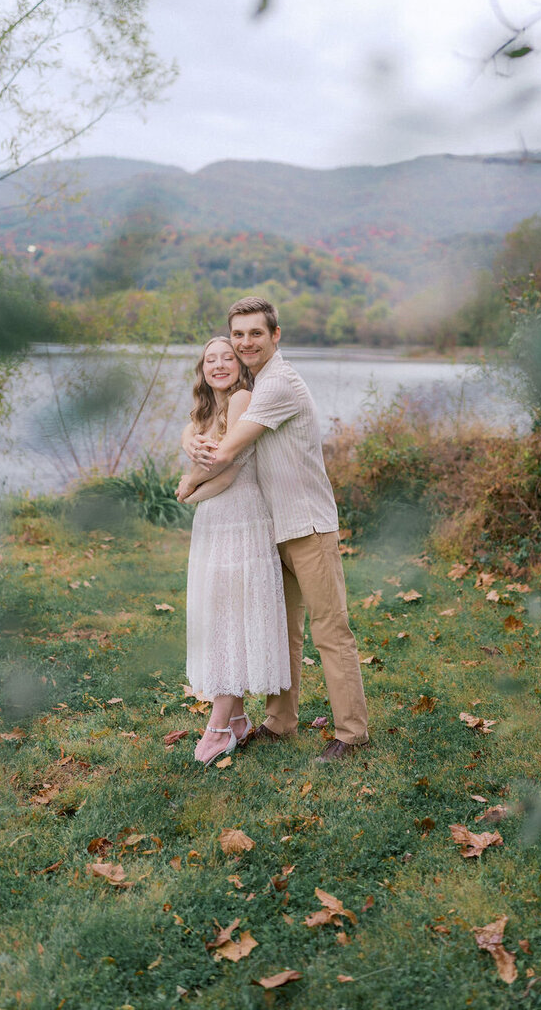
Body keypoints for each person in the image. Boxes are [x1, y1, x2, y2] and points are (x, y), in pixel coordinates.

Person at [181, 296, 369, 763]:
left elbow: (225, 452)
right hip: (269, 527)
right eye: (238, 334)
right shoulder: (254, 383)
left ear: (275, 335)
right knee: (283, 630)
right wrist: (189, 436)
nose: (245, 342)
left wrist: (187, 479)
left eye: (255, 333)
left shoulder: (278, 385)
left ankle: (351, 733)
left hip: (306, 524)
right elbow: (208, 423)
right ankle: (279, 721)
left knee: (330, 629)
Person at [177, 335, 291, 767]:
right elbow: (202, 445)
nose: (220, 364)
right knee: (222, 613)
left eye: (228, 357)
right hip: (214, 518)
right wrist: (189, 435)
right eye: (211, 359)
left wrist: (189, 484)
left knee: (231, 616)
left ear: (240, 366)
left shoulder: (244, 398)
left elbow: (227, 466)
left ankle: (219, 723)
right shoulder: (206, 409)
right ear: (202, 369)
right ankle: (240, 718)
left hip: (241, 518)